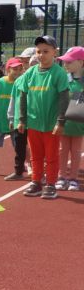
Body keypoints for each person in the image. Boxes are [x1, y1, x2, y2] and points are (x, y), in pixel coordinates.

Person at [17, 35, 70, 199]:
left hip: (51, 124)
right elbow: (23, 96)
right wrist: (22, 119)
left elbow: (64, 98)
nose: (41, 55)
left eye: (46, 51)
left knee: (52, 156)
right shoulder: (30, 73)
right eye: (39, 51)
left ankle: (51, 184)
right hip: (33, 124)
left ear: (55, 52)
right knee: (36, 155)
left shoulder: (59, 73)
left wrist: (60, 121)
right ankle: (36, 182)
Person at [55, 46, 84, 191]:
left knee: (76, 151)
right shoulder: (64, 79)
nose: (65, 64)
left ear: (81, 62)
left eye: (69, 62)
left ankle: (73, 179)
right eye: (64, 62)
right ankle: (61, 177)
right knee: (62, 150)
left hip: (79, 125)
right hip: (63, 123)